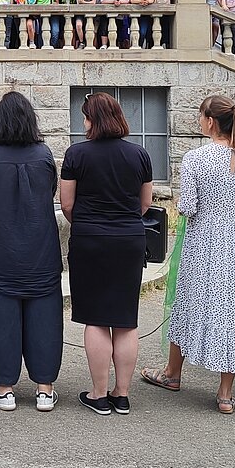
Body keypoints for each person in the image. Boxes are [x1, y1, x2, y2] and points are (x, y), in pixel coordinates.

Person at [141, 95, 235, 414]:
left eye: (201, 116)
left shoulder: (196, 158)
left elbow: (187, 207)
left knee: (188, 300)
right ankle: (225, 393)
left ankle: (172, 372)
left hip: (204, 241)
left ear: (210, 122)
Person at [0, 91, 62, 412]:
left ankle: (4, 389)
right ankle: (45, 389)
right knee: (45, 316)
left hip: (0, 248)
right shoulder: (44, 154)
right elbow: (50, 191)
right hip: (41, 248)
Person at [60, 92, 152, 416]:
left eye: (85, 116)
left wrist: (87, 223)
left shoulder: (76, 154)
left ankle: (98, 394)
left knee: (96, 318)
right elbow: (145, 203)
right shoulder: (140, 154)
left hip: (90, 239)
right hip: (129, 240)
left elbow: (67, 204)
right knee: (125, 320)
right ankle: (122, 395)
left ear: (92, 120)